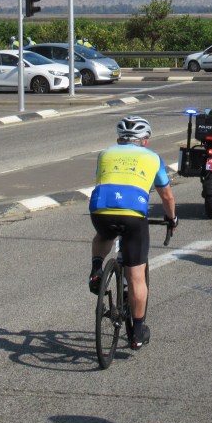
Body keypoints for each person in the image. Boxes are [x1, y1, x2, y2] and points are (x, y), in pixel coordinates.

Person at [88, 116, 178, 349]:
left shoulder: (104, 153)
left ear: (119, 138)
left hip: (100, 210)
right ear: (145, 141)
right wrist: (171, 219)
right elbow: (167, 196)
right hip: (133, 214)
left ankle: (97, 269)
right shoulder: (153, 158)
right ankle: (137, 332)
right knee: (136, 276)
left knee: (103, 235)